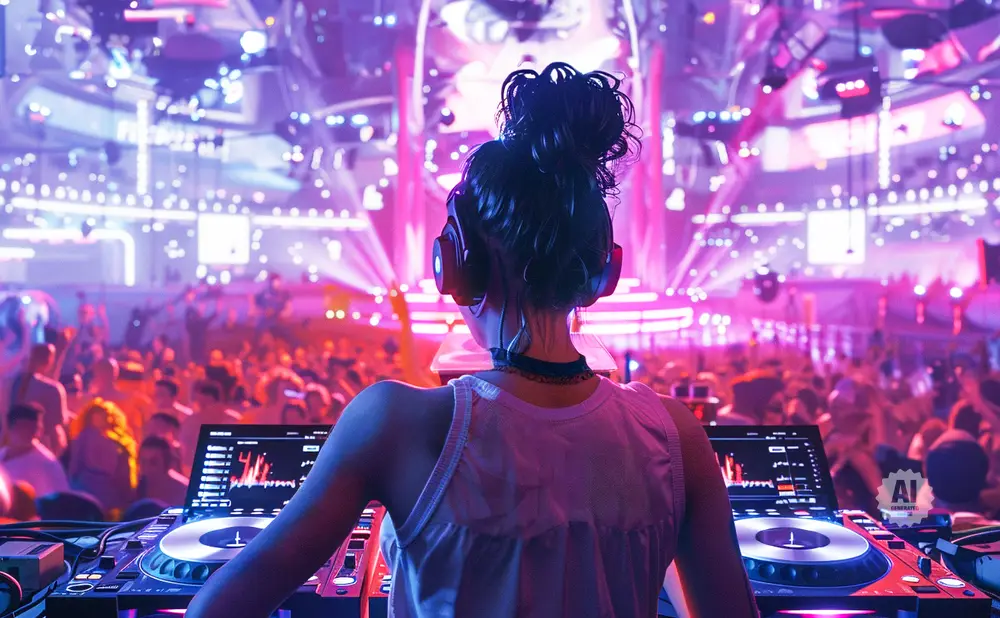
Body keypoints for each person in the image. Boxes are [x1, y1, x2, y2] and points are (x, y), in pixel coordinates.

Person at [188, 63, 756, 618]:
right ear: (598, 274)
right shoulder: (674, 435)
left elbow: (218, 607)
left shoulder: (394, 421)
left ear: (457, 262)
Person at [10, 344, 70, 456]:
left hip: (13, 446)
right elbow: (56, 424)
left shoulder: (14, 383)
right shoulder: (53, 389)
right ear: (49, 362)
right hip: (43, 449)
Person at [0, 403, 69, 497]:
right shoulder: (2, 454)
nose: (29, 432)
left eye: (34, 428)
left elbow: (60, 501)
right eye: (23, 427)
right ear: (10, 428)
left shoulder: (48, 465)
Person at [137, 436, 189, 506]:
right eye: (143, 462)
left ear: (167, 462)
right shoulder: (136, 489)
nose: (147, 467)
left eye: (153, 462)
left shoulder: (185, 492)